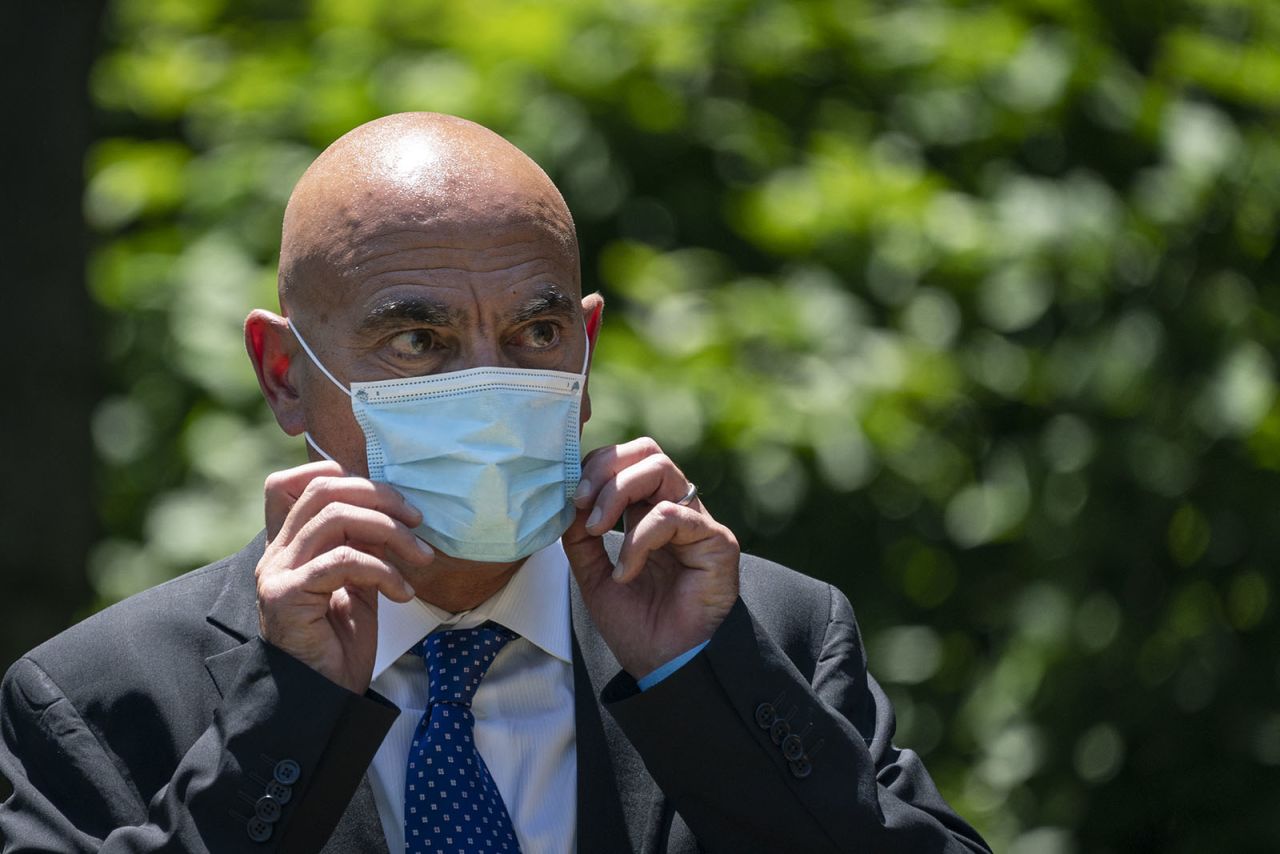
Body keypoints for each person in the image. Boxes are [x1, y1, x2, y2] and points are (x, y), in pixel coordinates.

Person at [0, 113, 988, 853]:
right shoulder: (95, 698)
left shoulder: (767, 632)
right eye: (418, 339)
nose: (492, 383)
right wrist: (287, 711)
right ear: (284, 374)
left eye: (537, 332)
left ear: (586, 351)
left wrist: (702, 685)